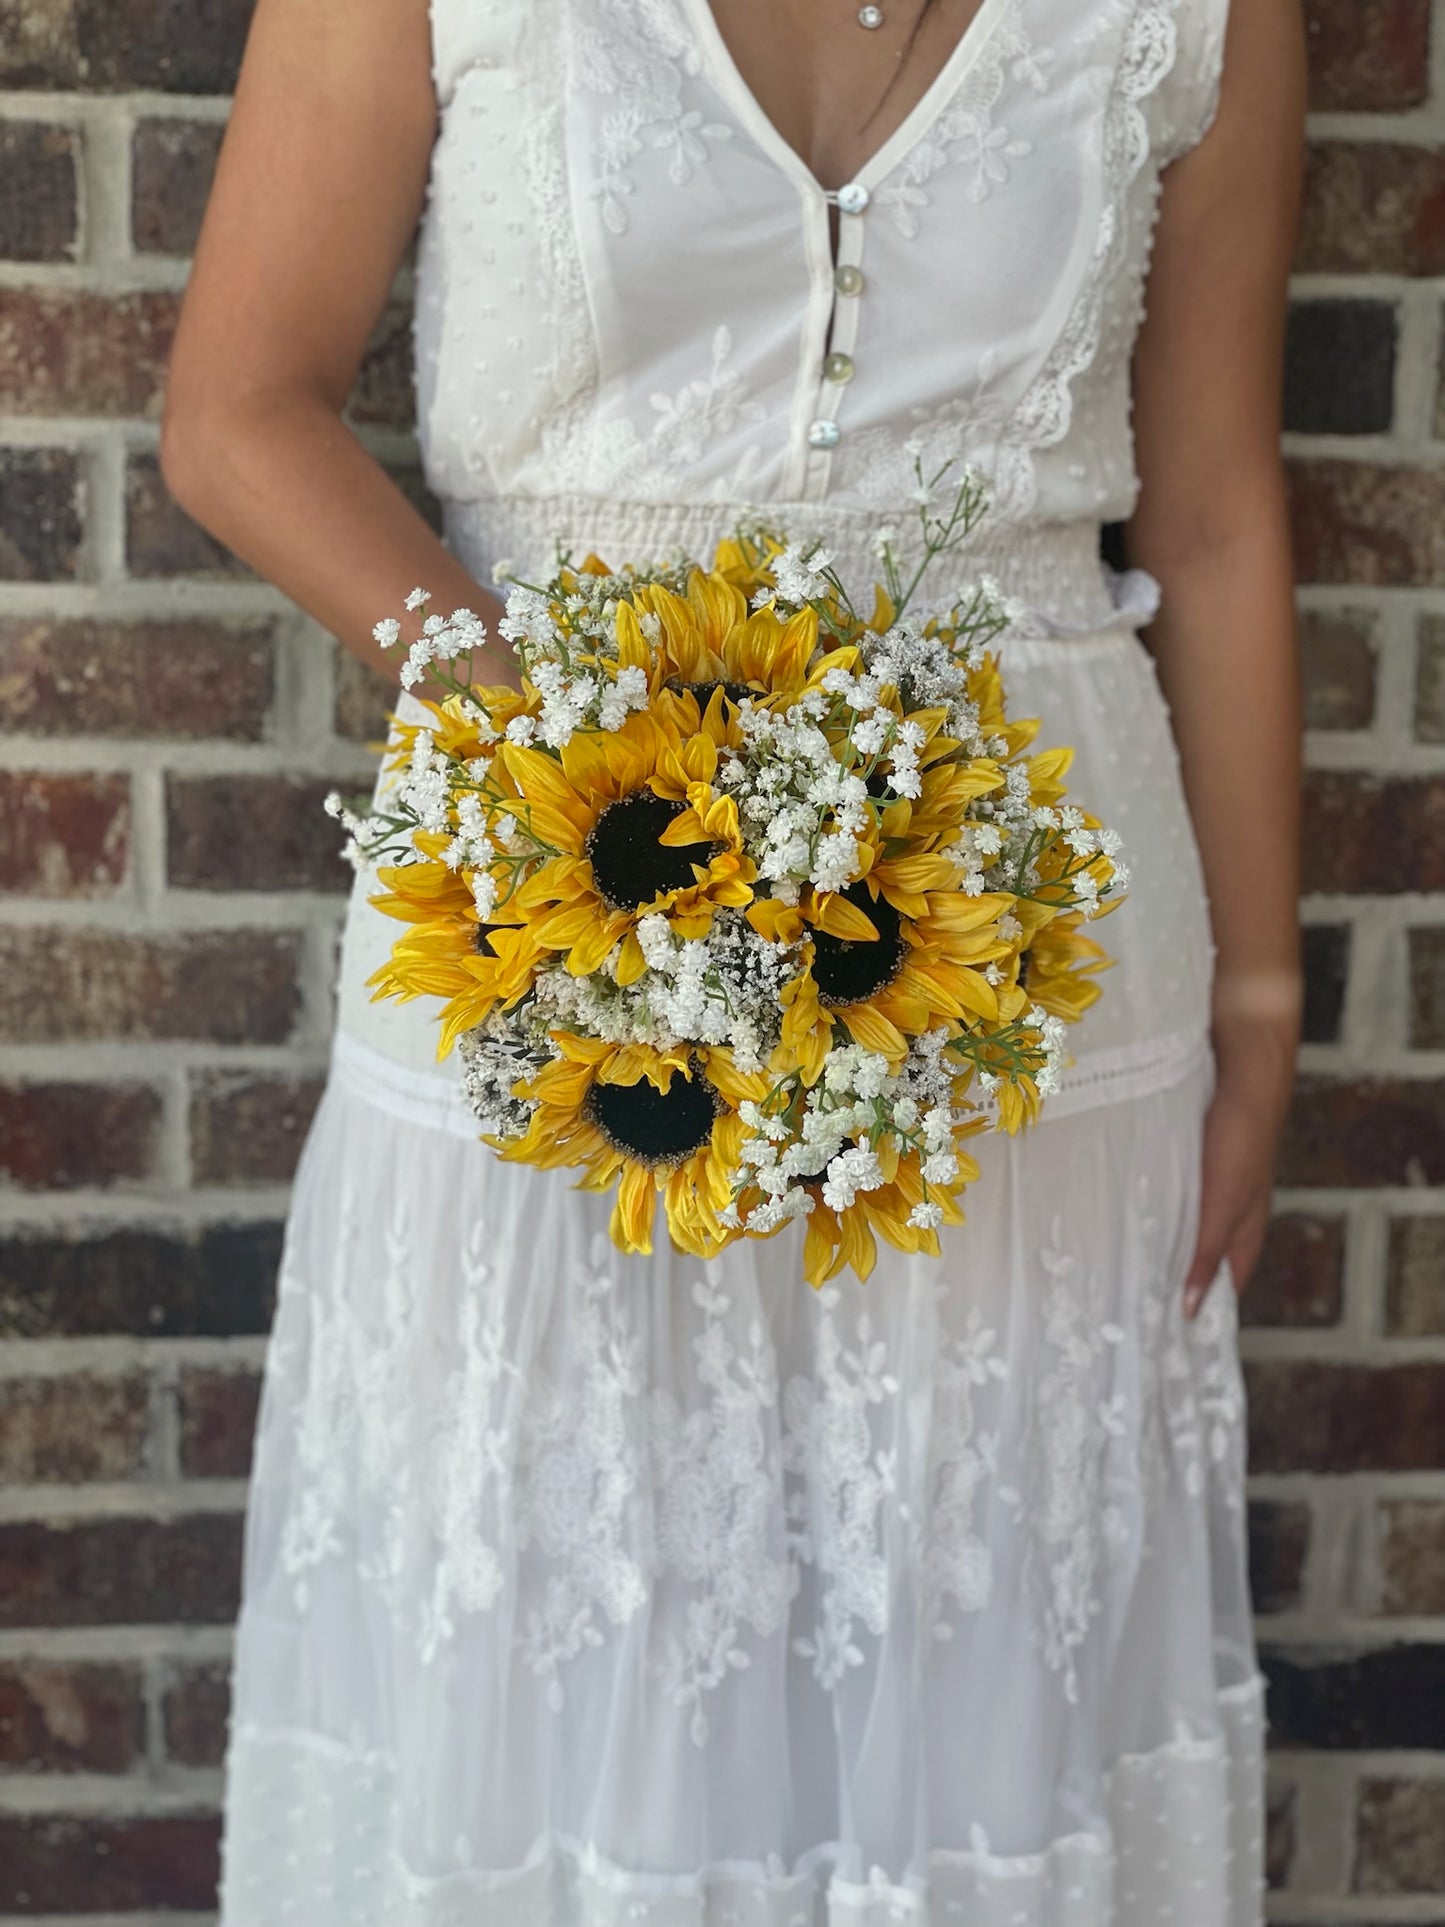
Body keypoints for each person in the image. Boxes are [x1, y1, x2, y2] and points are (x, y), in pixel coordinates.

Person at [159, 0, 1306, 1918]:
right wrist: (593, 781)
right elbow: (235, 411)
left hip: (1027, 992)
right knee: (547, 1632)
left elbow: (1209, 504)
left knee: (971, 1651)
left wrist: (1266, 1006)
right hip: (545, 924)